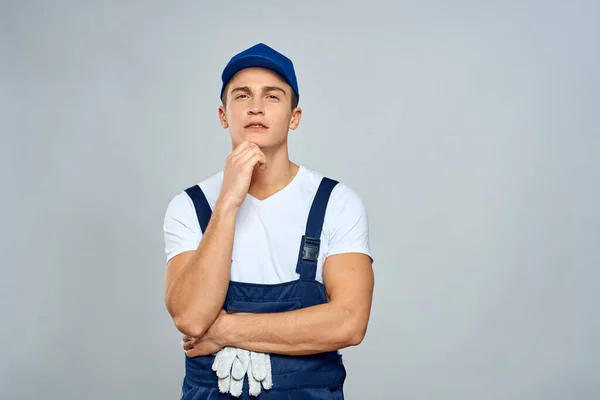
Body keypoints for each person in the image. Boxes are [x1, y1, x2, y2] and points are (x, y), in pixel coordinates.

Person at [162, 43, 374, 399]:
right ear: (223, 114)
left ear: (294, 117)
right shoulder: (189, 206)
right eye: (242, 95)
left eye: (272, 96)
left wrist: (227, 330)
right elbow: (192, 319)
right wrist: (228, 202)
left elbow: (349, 323)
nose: (256, 106)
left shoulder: (336, 203)